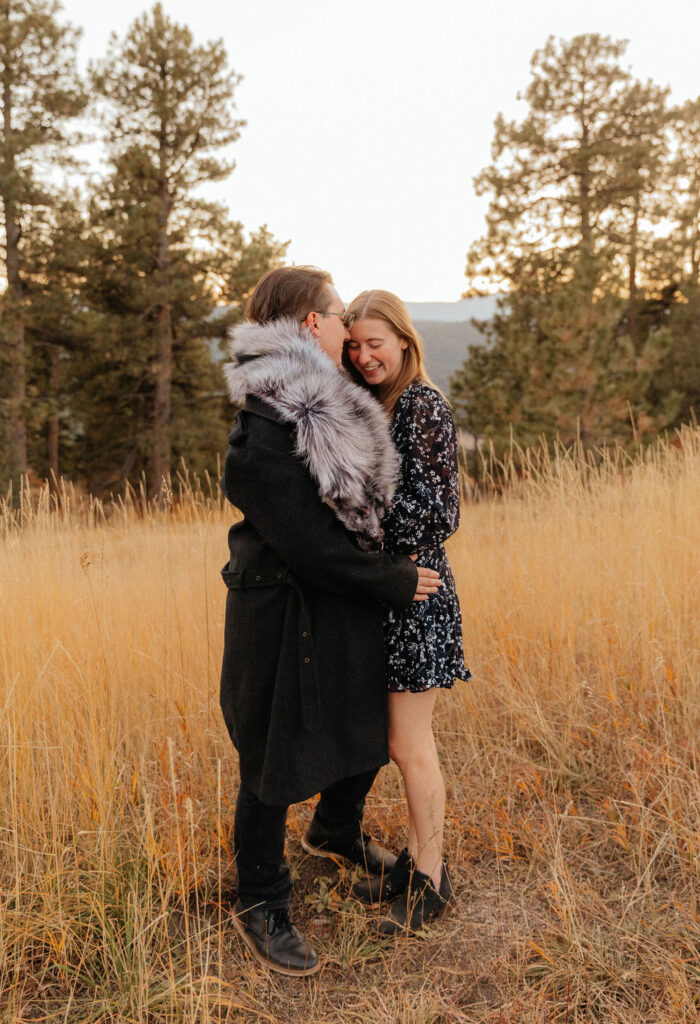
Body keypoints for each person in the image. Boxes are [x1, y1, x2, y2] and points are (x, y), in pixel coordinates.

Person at [219, 266, 442, 976]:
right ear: (311, 325)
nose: (350, 332)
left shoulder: (324, 405)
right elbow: (311, 544)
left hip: (335, 600)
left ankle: (334, 831)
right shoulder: (266, 422)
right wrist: (394, 579)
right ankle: (261, 900)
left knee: (365, 727)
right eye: (341, 317)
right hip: (282, 609)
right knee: (271, 755)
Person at [344, 289, 469, 935]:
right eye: (355, 346)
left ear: (404, 341)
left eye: (376, 343)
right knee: (394, 742)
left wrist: (360, 528)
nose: (365, 356)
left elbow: (440, 512)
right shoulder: (379, 403)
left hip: (413, 588)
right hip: (385, 588)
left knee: (409, 743)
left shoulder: (422, 404)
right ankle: (417, 861)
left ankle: (431, 876)